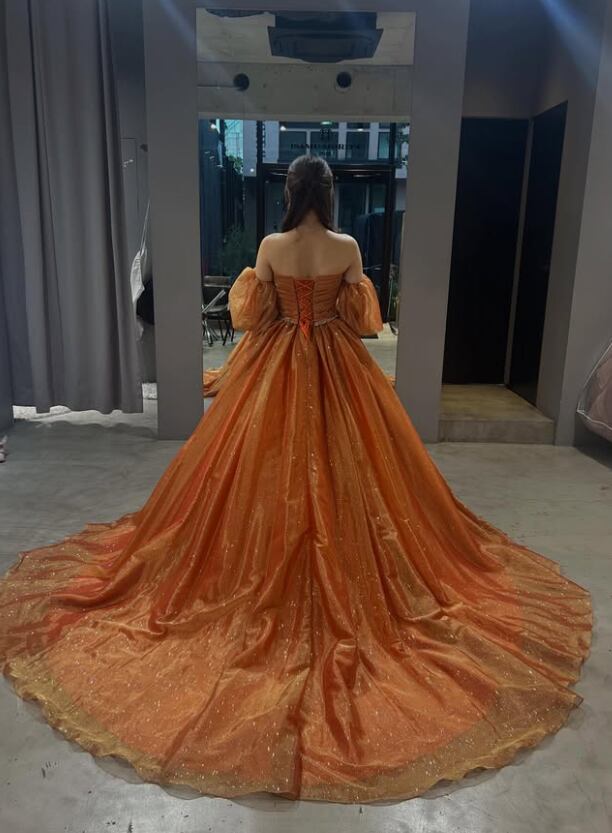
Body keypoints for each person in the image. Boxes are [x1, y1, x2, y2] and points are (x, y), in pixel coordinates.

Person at [0, 155, 592, 804]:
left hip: (275, 366)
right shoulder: (348, 246)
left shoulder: (270, 246)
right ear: (329, 193)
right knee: (357, 471)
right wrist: (334, 300)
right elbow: (364, 320)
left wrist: (278, 298)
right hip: (340, 367)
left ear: (289, 191)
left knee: (252, 472)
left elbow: (253, 317)